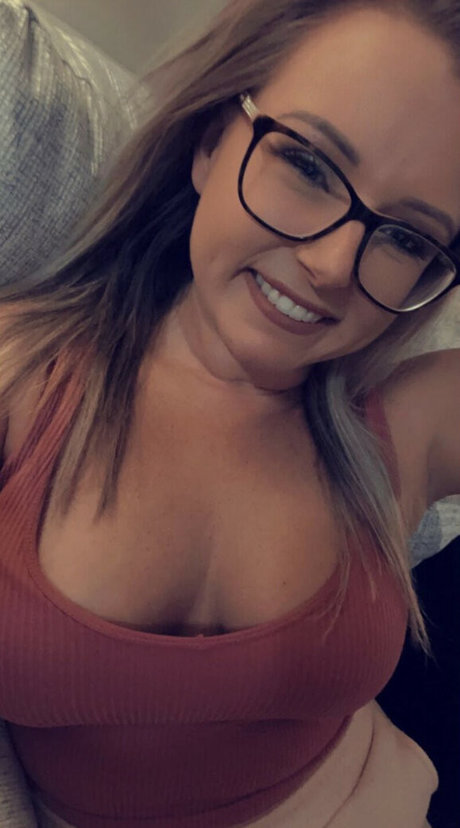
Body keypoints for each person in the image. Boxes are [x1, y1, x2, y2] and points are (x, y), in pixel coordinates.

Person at [1, 0, 459, 825]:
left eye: (405, 238)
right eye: (309, 165)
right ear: (213, 139)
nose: (332, 265)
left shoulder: (406, 425)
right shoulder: (21, 374)